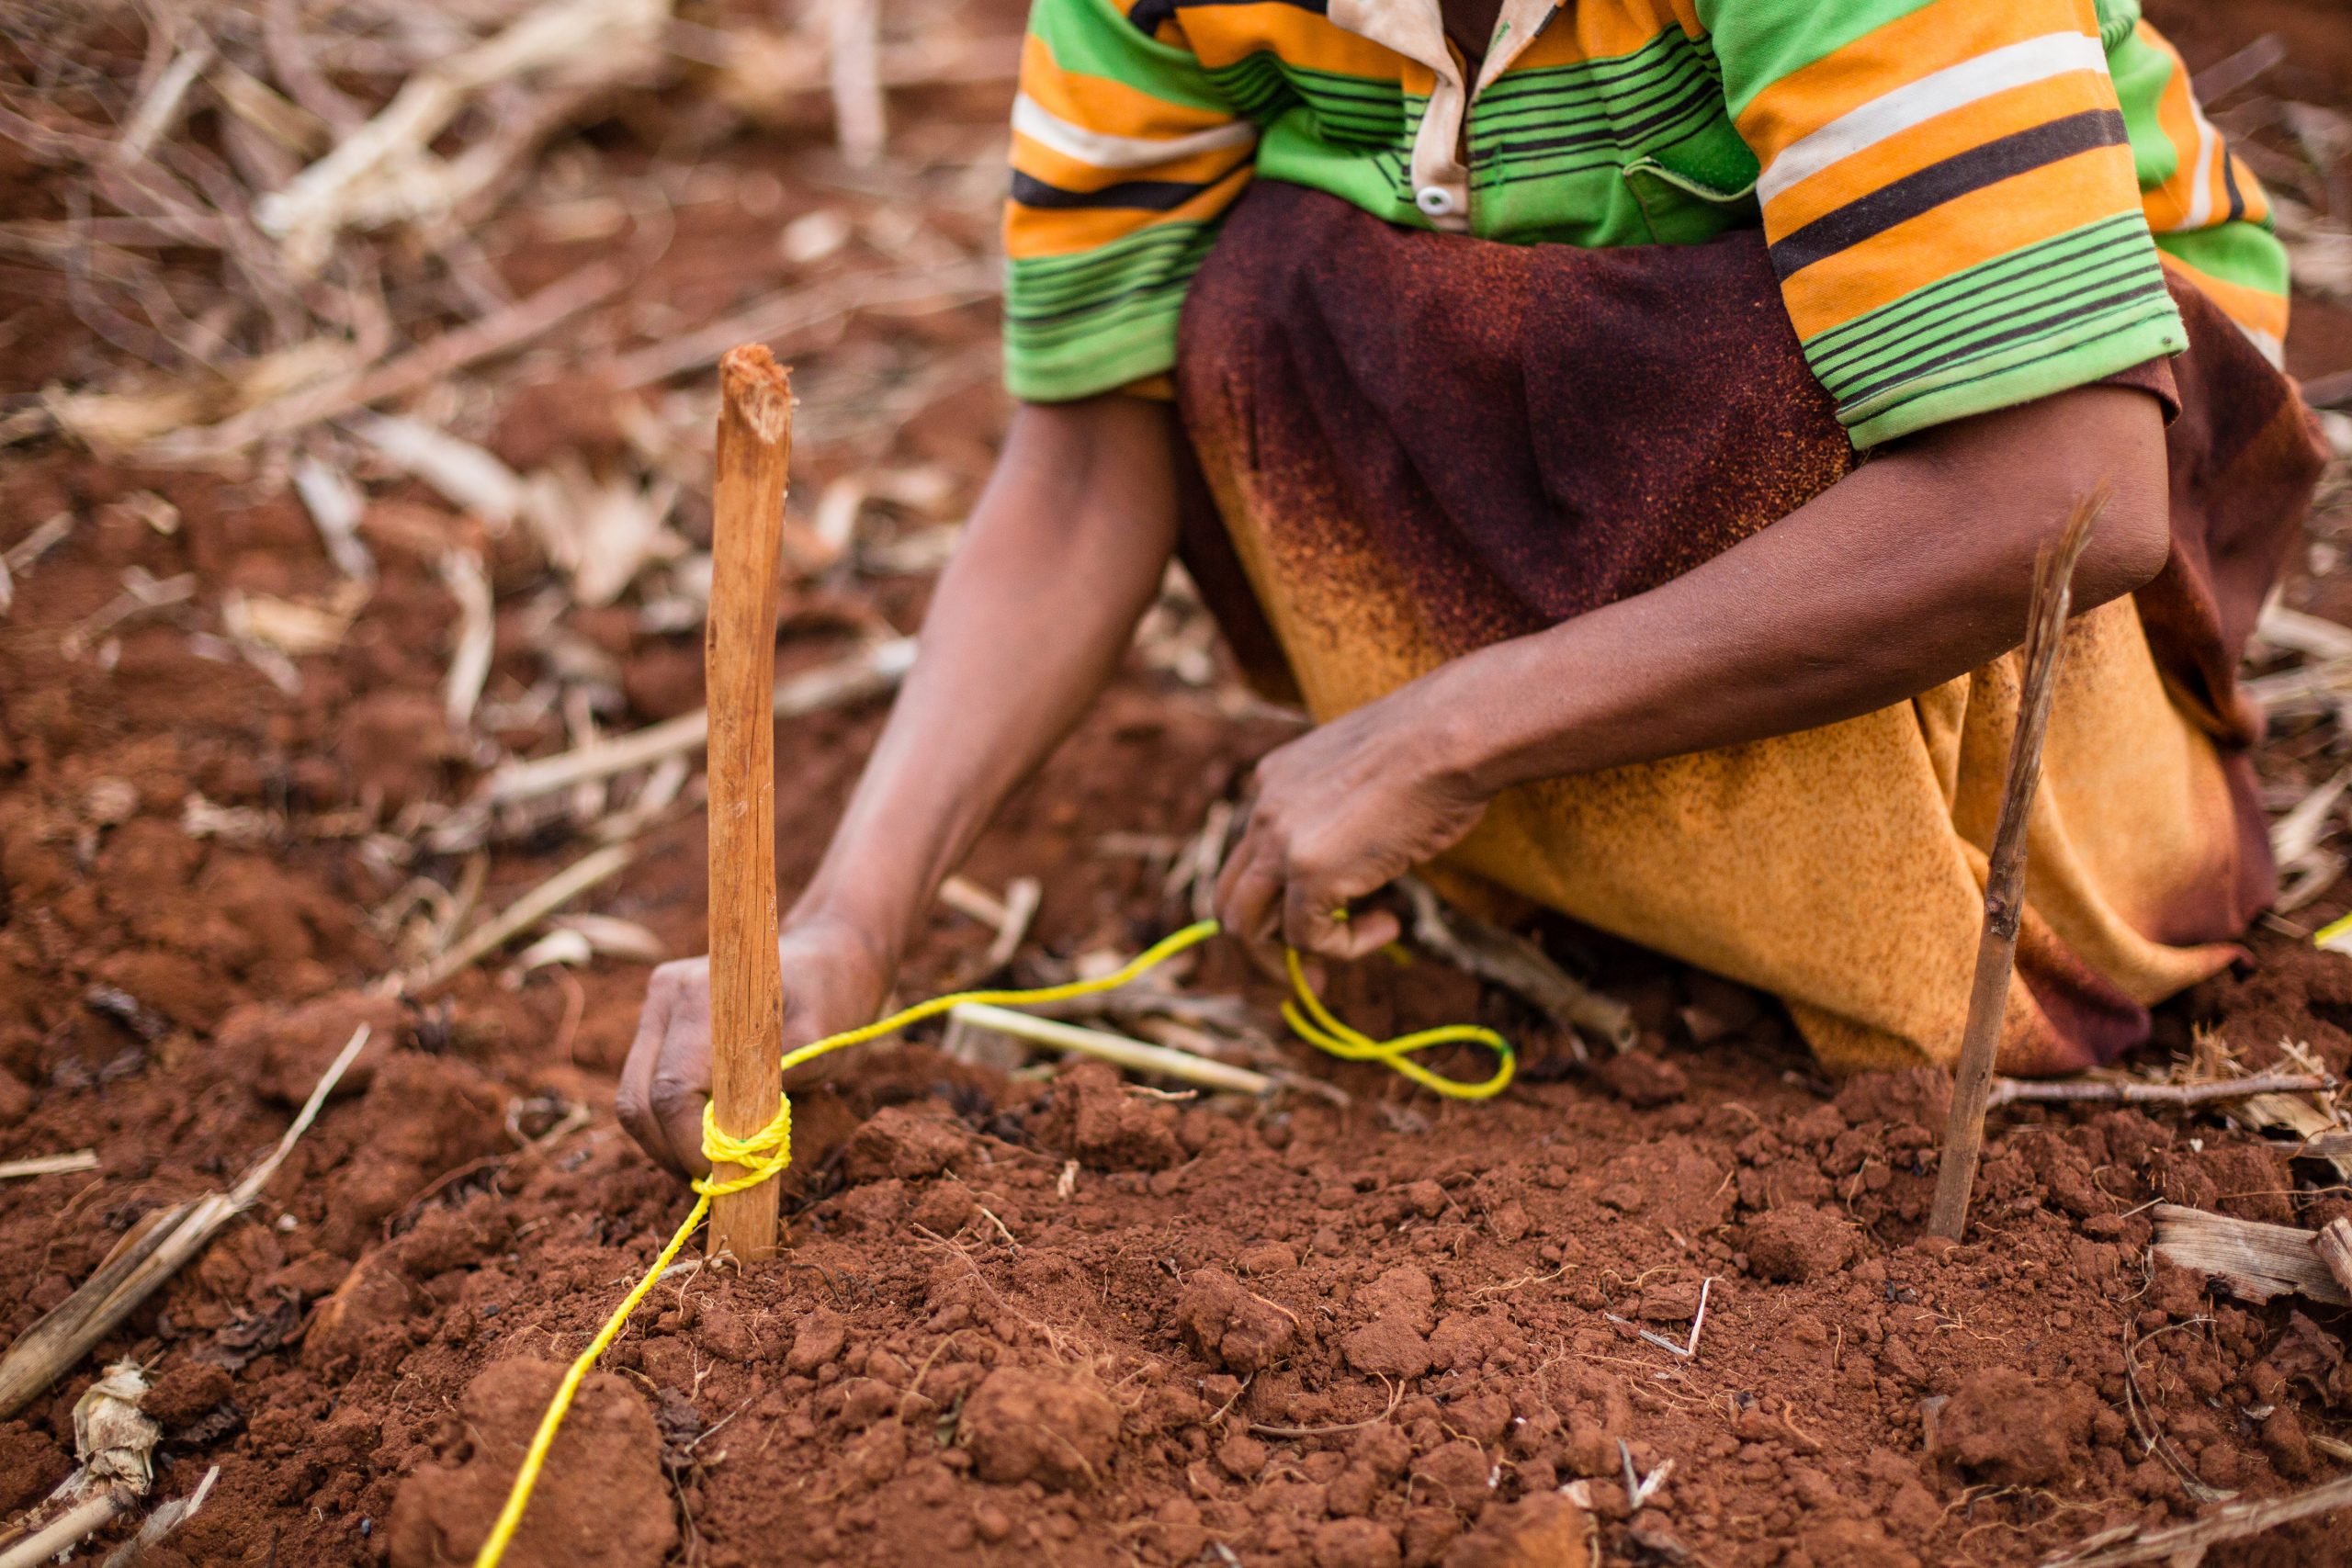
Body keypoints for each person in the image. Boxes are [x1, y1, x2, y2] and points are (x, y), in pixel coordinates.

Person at [619, 0, 2328, 1177]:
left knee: (1791, 353)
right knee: (1268, 296)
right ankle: (1628, 889)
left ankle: (1947, 951)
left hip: (2019, 632)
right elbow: (1084, 453)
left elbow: (2070, 492)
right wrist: (844, 926)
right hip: (1644, 543)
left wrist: (1443, 738)